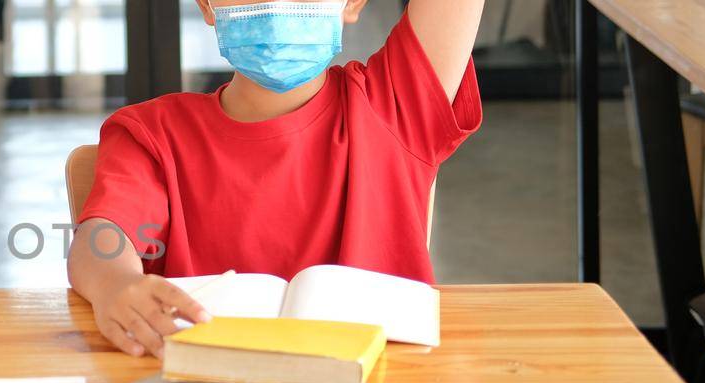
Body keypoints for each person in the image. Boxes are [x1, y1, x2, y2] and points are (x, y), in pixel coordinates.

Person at [68, 0, 486, 358]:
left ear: (354, 2)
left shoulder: (396, 106)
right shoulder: (152, 134)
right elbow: (103, 236)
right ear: (208, 5)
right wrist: (115, 283)